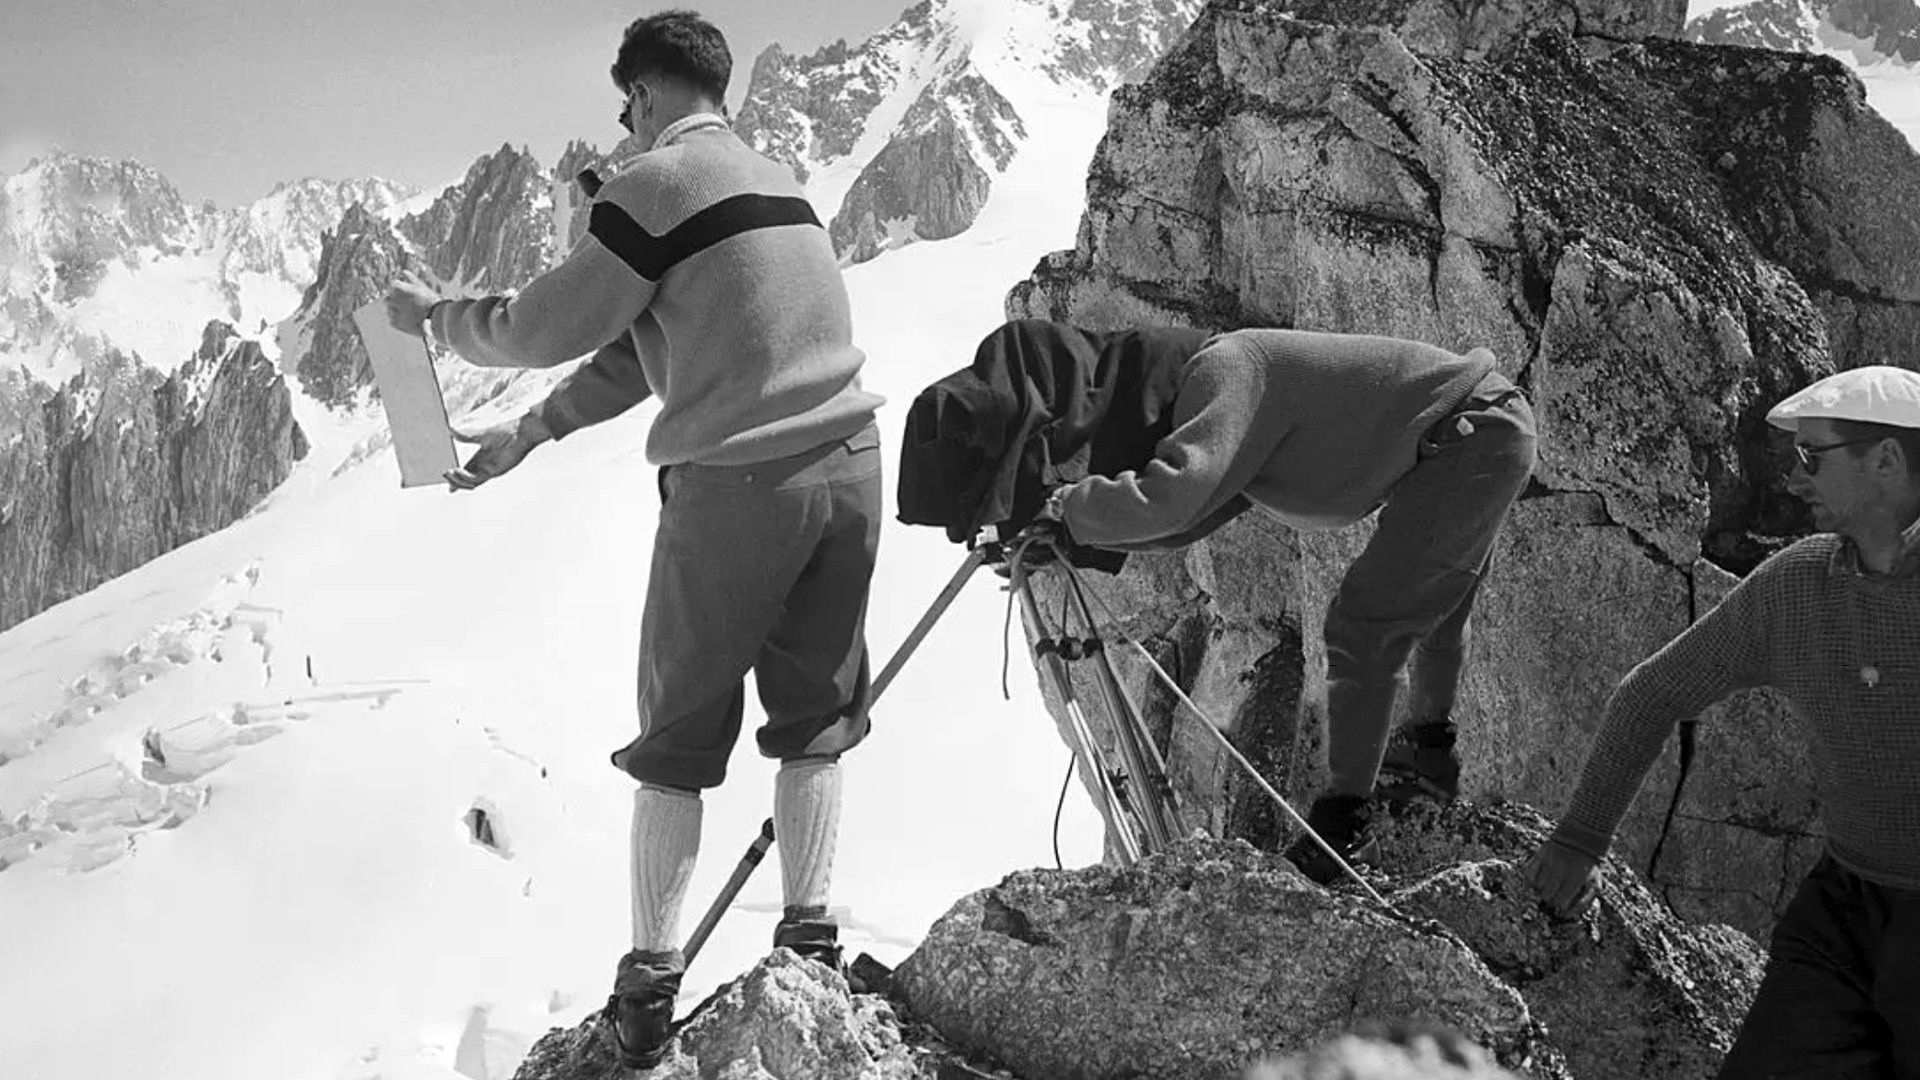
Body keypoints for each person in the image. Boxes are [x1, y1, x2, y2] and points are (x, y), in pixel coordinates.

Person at [383, 9, 885, 1070]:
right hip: (849, 467)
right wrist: (534, 431)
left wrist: (435, 316)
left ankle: (649, 986)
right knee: (816, 717)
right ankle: (810, 941)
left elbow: (541, 327)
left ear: (646, 96)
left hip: (741, 485)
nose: (624, 129)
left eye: (625, 110)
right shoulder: (780, 180)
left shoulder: (653, 186)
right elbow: (639, 347)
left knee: (678, 737)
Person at [1525, 365, 1920, 1077]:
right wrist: (1581, 838)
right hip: (1842, 912)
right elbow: (1652, 693)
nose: (1793, 480)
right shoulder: (1797, 585)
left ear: (1887, 460)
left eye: (1812, 457)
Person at [1040, 328, 1537, 882]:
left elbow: (1172, 497)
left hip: (1472, 431)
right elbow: (1186, 518)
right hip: (1483, 427)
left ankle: (1346, 827)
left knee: (1366, 623)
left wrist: (1063, 508)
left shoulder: (1224, 369)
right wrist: (1075, 536)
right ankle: (1428, 761)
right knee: (1433, 610)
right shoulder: (1234, 410)